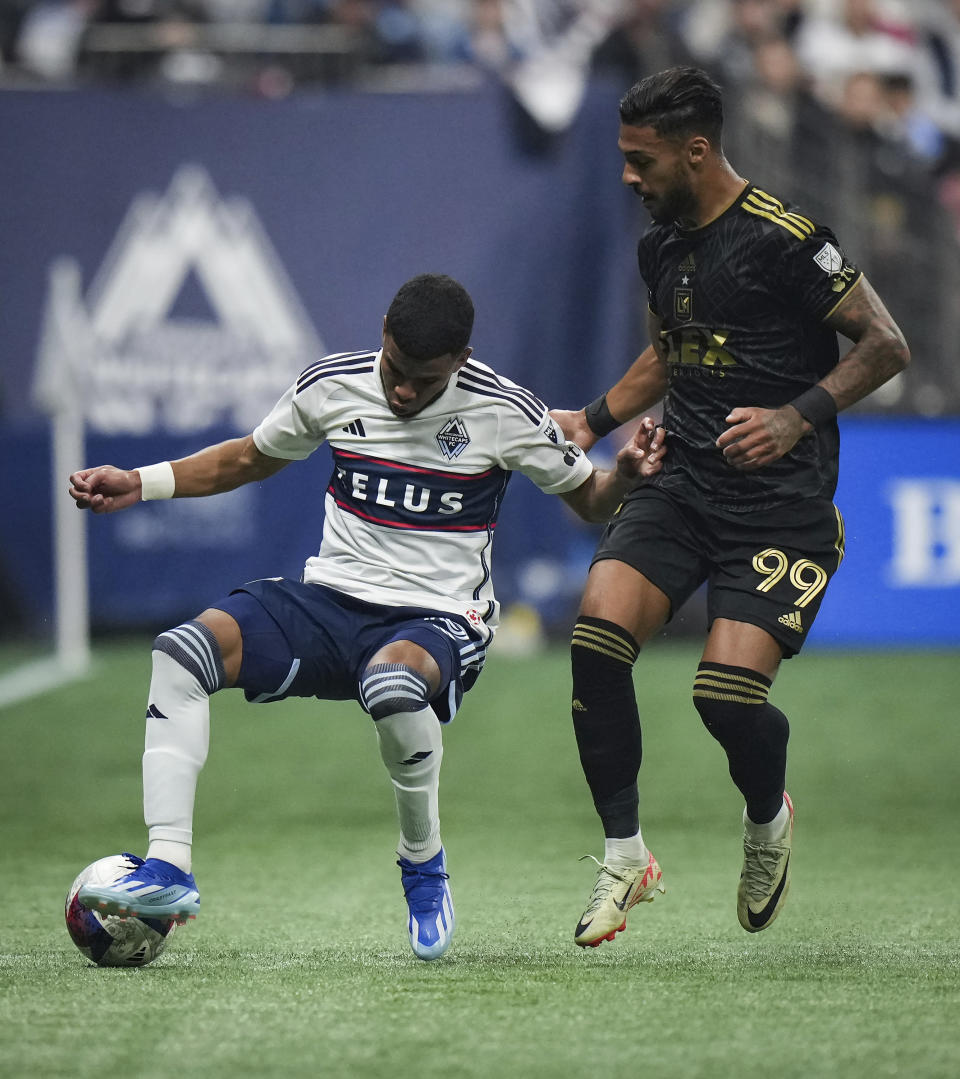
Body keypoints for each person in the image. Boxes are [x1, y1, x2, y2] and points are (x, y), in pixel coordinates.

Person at [68, 273, 665, 962]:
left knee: (390, 687)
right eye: (394, 367)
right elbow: (246, 458)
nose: (402, 389)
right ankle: (168, 868)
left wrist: (621, 477)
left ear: (461, 361)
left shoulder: (505, 411)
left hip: (440, 618)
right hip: (332, 599)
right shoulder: (332, 384)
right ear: (381, 329)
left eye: (423, 378)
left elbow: (587, 498)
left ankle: (422, 860)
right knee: (181, 652)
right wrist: (140, 482)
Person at [551, 67, 910, 947]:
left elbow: (886, 343)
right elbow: (671, 353)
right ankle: (626, 855)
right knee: (596, 640)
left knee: (724, 698)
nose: (629, 177)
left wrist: (795, 417)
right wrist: (594, 420)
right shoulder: (661, 242)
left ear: (697, 151)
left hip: (781, 511)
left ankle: (766, 818)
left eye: (642, 160)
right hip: (681, 487)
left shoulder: (788, 240)